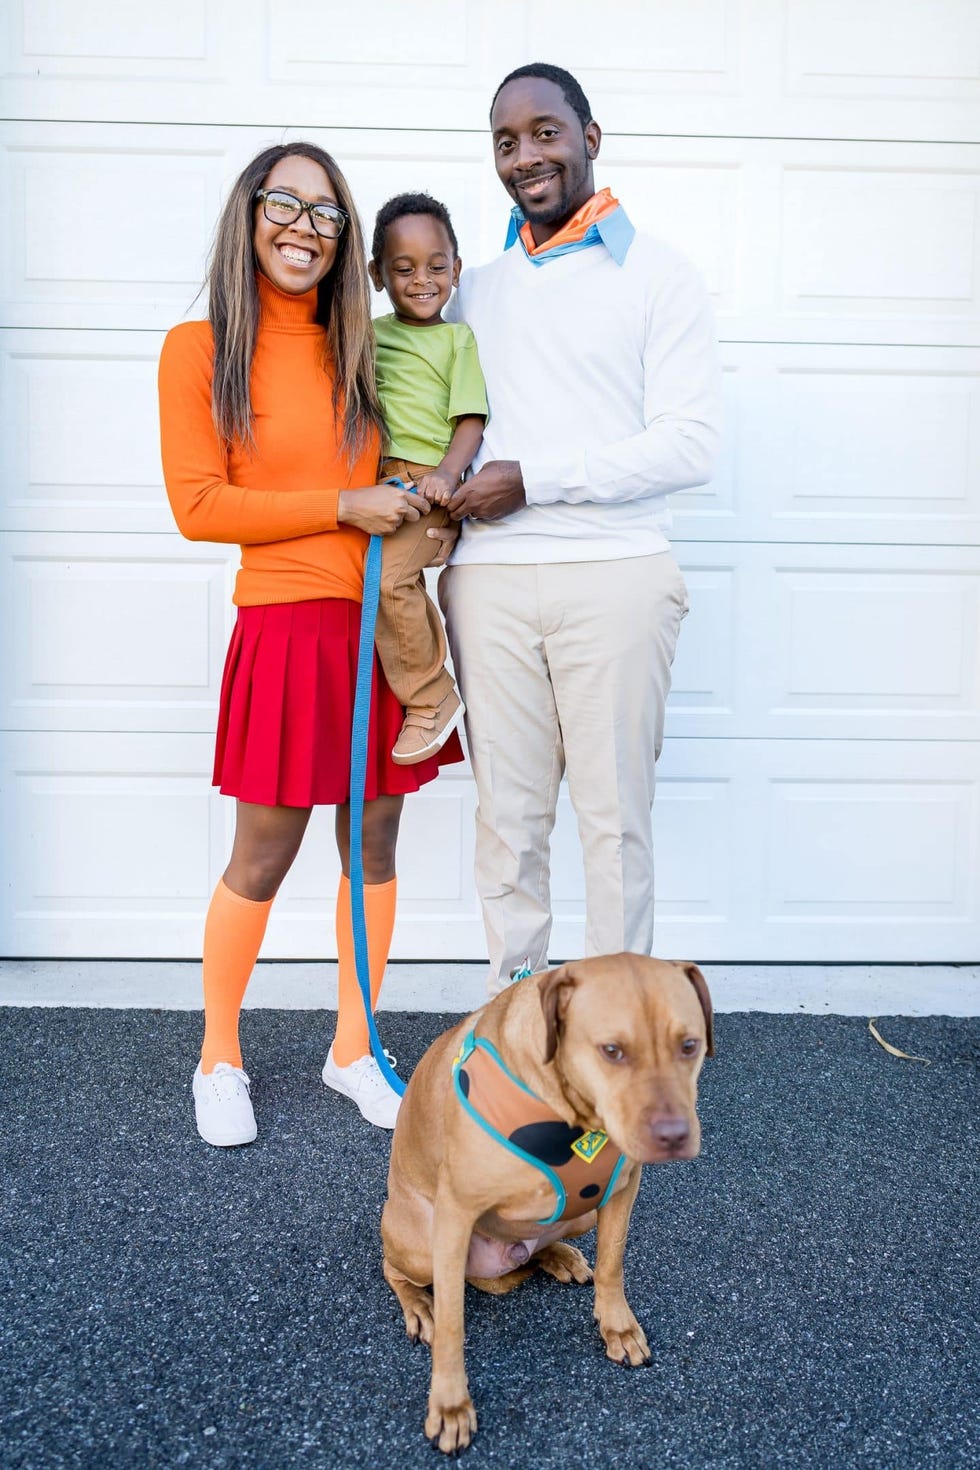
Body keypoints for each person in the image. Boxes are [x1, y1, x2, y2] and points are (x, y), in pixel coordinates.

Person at [158, 143, 461, 1145]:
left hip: (378, 626)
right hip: (284, 631)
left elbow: (434, 434)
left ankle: (350, 1048)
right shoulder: (199, 347)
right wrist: (343, 502)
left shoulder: (366, 348)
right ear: (247, 214)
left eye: (327, 215)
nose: (304, 226)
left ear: (345, 244)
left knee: (372, 843)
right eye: (284, 204)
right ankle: (217, 1055)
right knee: (264, 852)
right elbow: (199, 506)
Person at [439, 63, 722, 993]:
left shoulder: (660, 276)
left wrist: (537, 479)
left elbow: (689, 445)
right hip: (489, 585)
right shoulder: (472, 292)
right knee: (508, 819)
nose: (527, 157)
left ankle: (619, 1031)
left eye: (545, 133)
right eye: (506, 142)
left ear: (590, 138)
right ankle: (520, 1018)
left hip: (617, 575)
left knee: (613, 818)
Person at [367, 192, 487, 765]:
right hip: (380, 484)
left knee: (391, 581)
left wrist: (445, 473)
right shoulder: (368, 336)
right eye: (404, 268)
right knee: (372, 585)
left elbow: (470, 418)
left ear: (456, 270)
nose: (423, 280)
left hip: (429, 485)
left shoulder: (455, 340)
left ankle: (431, 696)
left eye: (437, 266)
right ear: (377, 275)